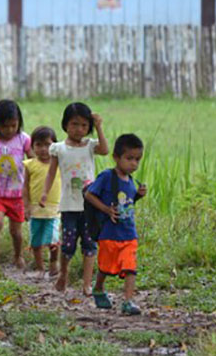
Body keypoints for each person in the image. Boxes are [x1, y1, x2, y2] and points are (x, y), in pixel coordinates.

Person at [39, 102, 109, 293]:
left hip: (90, 205)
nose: (79, 129)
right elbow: (51, 173)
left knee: (89, 244)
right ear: (65, 124)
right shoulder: (58, 148)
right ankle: (63, 275)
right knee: (68, 244)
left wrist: (99, 126)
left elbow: (105, 150)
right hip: (69, 205)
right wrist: (45, 192)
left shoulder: (89, 146)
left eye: (84, 126)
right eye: (74, 124)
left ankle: (87, 283)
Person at [84, 133, 148, 316]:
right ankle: (98, 288)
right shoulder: (107, 176)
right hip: (108, 233)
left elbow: (126, 204)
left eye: (137, 159)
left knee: (130, 267)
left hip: (129, 233)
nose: (133, 164)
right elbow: (89, 194)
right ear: (116, 157)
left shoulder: (131, 181)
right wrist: (106, 209)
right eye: (129, 158)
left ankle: (128, 301)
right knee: (105, 267)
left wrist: (138, 196)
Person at [0, 99, 32, 268]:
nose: (9, 130)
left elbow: (32, 160)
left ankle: (18, 256)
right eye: (5, 126)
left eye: (13, 125)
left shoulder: (23, 139)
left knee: (16, 231)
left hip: (17, 193)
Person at [23, 126, 61, 276]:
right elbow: (25, 187)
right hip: (35, 209)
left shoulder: (59, 164)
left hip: (54, 209)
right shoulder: (29, 165)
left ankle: (53, 262)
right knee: (36, 240)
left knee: (53, 239)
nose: (43, 149)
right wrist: (26, 206)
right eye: (38, 145)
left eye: (48, 145)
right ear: (32, 146)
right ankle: (39, 267)